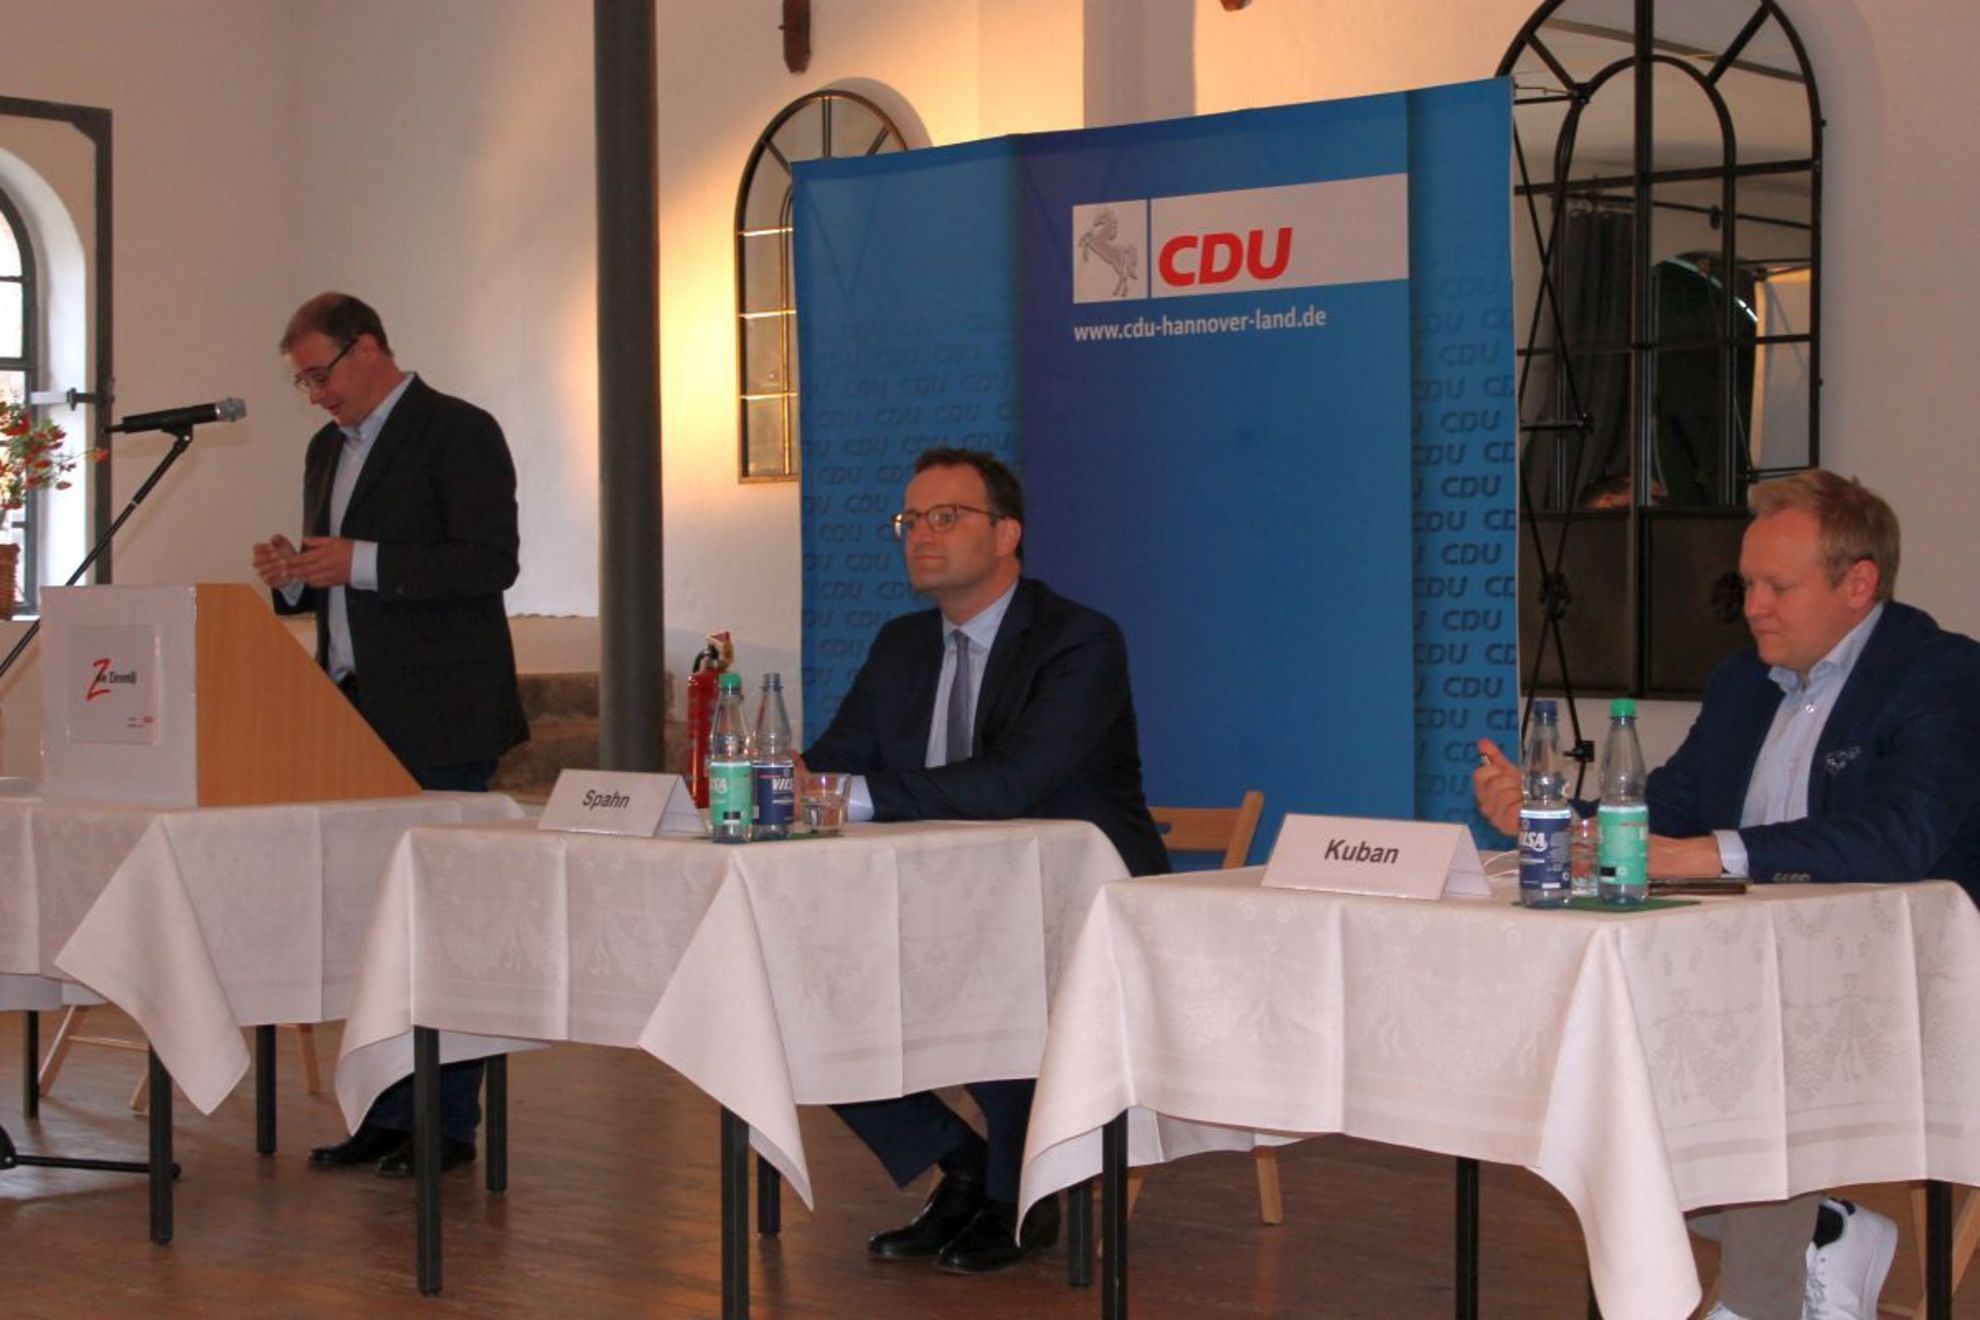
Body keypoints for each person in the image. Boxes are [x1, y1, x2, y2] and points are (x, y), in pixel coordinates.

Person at [1475, 469, 1980, 1320]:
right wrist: (1555, 819)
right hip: (1752, 970)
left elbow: (1901, 837)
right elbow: (1664, 813)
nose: (1753, 608)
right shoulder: (1742, 683)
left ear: (1859, 584)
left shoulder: (1939, 674)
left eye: (1778, 587)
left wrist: (1713, 855)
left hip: (1920, 976)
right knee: (1607, 1056)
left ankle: (1759, 1300)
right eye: (1746, 584)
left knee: (1754, 1050)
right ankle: (1821, 1230)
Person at [804, 446, 1169, 1275]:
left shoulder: (1078, 639)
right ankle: (959, 1161)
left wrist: (851, 794)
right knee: (800, 976)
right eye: (910, 520)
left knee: (1000, 962)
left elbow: (1016, 780)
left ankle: (1016, 1194)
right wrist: (790, 780)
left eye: (946, 517)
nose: (921, 535)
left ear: (1007, 535)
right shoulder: (901, 645)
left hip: (1075, 902)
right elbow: (835, 763)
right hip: (934, 893)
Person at [252, 291, 529, 1178]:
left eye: (320, 374)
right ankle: (382, 1110)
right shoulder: (323, 449)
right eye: (303, 382)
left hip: (440, 716)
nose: (316, 395)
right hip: (350, 713)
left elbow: (490, 560)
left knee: (444, 924)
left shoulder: (458, 430)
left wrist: (360, 562)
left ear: (368, 347)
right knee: (369, 927)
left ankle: (446, 1124)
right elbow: (330, 580)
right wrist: (292, 576)